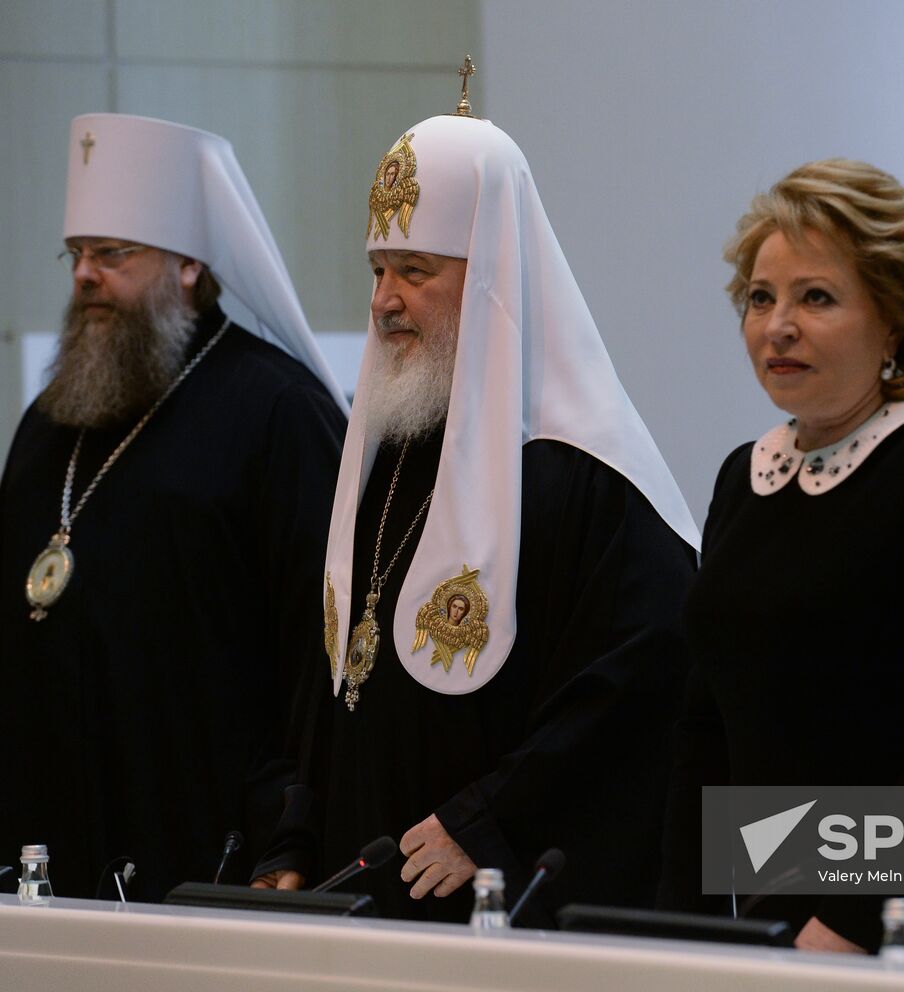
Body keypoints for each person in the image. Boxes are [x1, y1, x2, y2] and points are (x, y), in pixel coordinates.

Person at [252, 89, 700, 926]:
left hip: (496, 903)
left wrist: (491, 819)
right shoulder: (387, 447)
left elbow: (636, 692)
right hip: (363, 889)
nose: (385, 299)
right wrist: (297, 835)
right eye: (378, 270)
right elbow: (341, 672)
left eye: (416, 272)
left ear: (492, 278)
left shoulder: (587, 472)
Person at [0, 114, 348, 902]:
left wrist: (292, 829)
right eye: (76, 254)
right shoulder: (47, 426)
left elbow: (319, 657)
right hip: (46, 855)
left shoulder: (278, 411)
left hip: (205, 849)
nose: (84, 276)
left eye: (113, 254)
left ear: (187, 265)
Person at [658, 159, 904, 962]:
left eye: (815, 298)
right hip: (774, 901)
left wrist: (851, 919)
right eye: (762, 297)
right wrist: (682, 927)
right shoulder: (744, 473)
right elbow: (703, 725)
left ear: (894, 321)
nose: (777, 326)